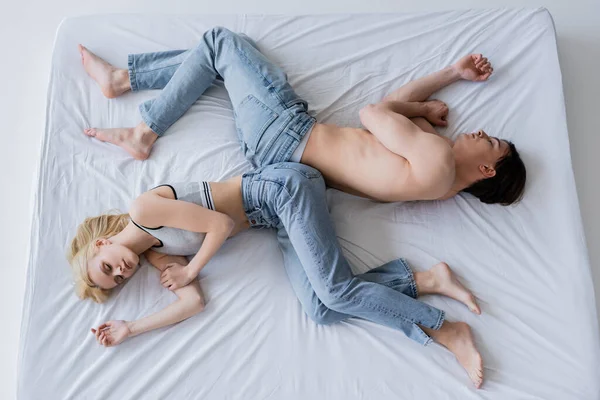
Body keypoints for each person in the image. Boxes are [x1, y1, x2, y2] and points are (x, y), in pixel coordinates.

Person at [68, 163, 484, 388]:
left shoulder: (144, 211)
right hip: (276, 219)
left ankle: (447, 330)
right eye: (117, 280)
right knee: (322, 309)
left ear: (103, 243)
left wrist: (192, 268)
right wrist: (130, 328)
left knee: (336, 291)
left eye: (108, 266)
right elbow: (193, 302)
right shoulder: (158, 257)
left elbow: (220, 226)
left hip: (281, 189)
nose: (121, 271)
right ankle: (426, 281)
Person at [79, 27, 525, 205]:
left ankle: (141, 126)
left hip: (288, 135)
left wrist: (422, 109)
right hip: (282, 152)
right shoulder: (437, 180)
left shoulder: (440, 159)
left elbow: (374, 111)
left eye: (490, 141)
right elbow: (394, 109)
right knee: (219, 65)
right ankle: (121, 79)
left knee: (221, 43)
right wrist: (449, 74)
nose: (482, 132)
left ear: (486, 168)